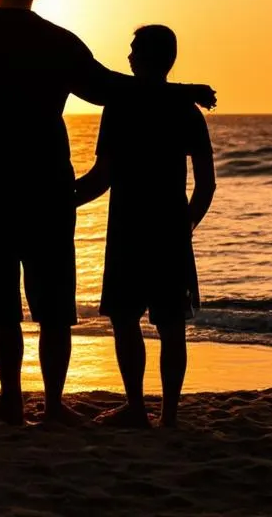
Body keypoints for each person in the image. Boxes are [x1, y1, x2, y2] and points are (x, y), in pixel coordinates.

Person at [0, 0, 216, 425]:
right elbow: (114, 86)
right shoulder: (59, 41)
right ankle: (50, 405)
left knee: (0, 302)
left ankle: (10, 398)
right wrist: (181, 92)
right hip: (49, 187)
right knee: (53, 307)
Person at [74, 24, 216, 428]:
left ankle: (137, 407)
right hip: (169, 226)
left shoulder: (119, 107)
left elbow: (102, 176)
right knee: (170, 323)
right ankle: (168, 415)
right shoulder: (186, 111)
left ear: (150, 55)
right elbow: (205, 184)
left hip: (129, 226)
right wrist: (186, 223)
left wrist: (65, 198)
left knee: (126, 318)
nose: (129, 56)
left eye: (135, 49)